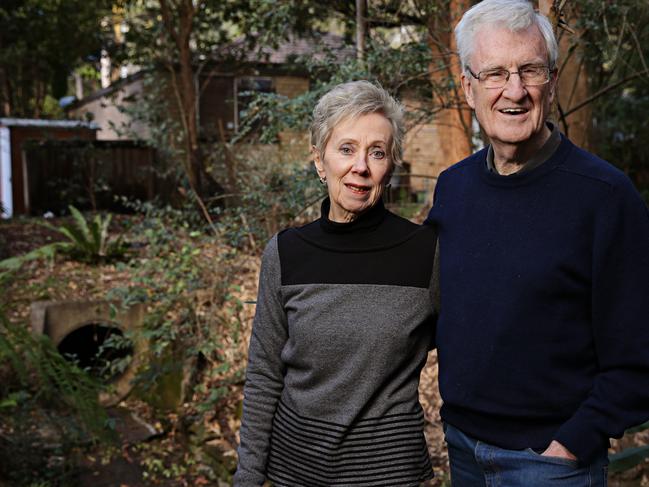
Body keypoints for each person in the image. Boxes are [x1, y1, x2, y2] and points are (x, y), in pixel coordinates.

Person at [426, 0, 649, 485]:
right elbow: (430, 309)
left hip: (549, 463)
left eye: (530, 70)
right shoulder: (453, 187)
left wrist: (571, 444)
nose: (514, 91)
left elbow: (638, 348)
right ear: (467, 87)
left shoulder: (606, 197)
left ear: (549, 80)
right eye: (495, 74)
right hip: (461, 447)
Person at [234, 80, 438, 486]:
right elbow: (264, 377)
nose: (360, 166)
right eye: (346, 149)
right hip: (296, 472)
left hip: (389, 475)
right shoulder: (286, 253)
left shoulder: (426, 254)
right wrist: (248, 478)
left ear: (391, 165)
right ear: (318, 160)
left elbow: (474, 350)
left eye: (376, 152)